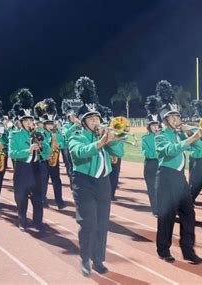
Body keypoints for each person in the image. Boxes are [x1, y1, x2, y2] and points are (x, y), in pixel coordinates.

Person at [68, 76, 124, 276]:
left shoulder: (103, 134)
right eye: (91, 118)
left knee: (102, 222)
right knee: (88, 222)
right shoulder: (76, 136)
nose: (96, 121)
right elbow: (79, 153)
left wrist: (113, 139)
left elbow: (119, 154)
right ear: (83, 122)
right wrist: (100, 143)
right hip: (83, 183)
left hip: (103, 182)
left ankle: (98, 259)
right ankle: (84, 259)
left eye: (97, 118)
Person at [154, 80, 202, 264]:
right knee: (166, 217)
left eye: (178, 116)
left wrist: (191, 134)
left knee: (189, 215)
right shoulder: (160, 135)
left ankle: (188, 250)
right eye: (173, 117)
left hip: (180, 179)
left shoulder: (180, 133)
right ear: (165, 120)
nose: (178, 119)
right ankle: (163, 249)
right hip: (166, 177)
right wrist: (189, 139)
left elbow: (198, 149)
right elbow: (169, 151)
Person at [9, 89, 48, 232]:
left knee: (38, 197)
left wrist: (43, 146)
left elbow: (47, 152)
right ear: (21, 122)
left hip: (36, 167)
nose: (29, 122)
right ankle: (22, 220)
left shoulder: (38, 133)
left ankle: (38, 222)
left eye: (30, 120)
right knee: (21, 196)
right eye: (26, 120)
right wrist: (28, 150)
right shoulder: (14, 135)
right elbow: (12, 153)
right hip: (22, 168)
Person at [141, 95, 161, 216]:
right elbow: (147, 153)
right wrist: (159, 153)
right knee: (152, 189)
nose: (155, 127)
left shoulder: (161, 137)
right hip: (150, 165)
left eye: (156, 125)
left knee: (162, 188)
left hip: (160, 164)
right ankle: (156, 210)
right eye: (153, 125)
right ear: (149, 126)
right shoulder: (145, 139)